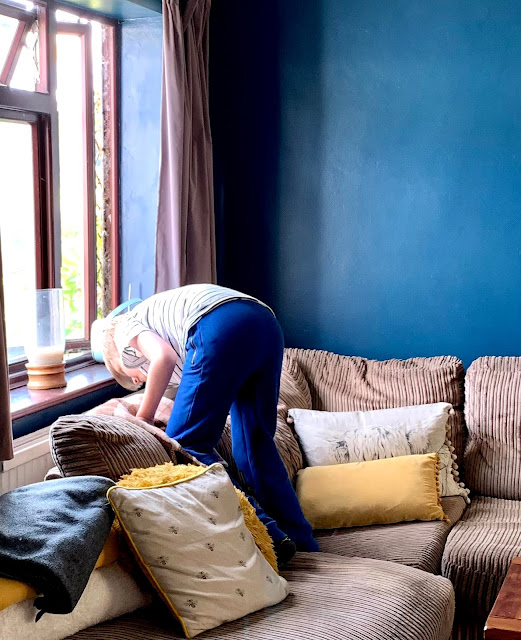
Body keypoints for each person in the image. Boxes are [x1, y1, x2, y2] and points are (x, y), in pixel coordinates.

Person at [102, 284, 318, 561]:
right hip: (263, 322)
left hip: (218, 322)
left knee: (185, 444)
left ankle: (271, 536)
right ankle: (303, 543)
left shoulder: (121, 331)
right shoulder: (169, 328)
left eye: (133, 378)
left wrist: (142, 417)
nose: (137, 381)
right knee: (255, 448)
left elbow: (162, 359)